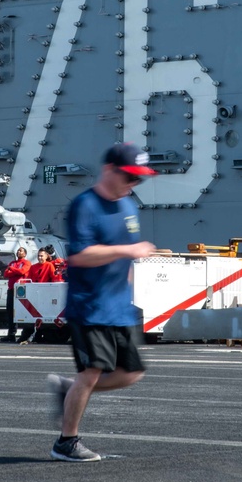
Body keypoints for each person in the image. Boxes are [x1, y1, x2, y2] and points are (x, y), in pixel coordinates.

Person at [47, 143, 157, 462]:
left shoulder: (129, 207)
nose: (134, 184)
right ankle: (66, 442)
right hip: (90, 305)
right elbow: (79, 256)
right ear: (109, 170)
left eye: (140, 180)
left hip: (119, 306)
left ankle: (68, 389)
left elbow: (127, 256)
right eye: (129, 177)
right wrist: (128, 252)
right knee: (92, 371)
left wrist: (130, 281)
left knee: (130, 373)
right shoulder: (85, 205)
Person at [0, 247, 31, 343]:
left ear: (25, 254)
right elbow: (6, 273)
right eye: (18, 250)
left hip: (20, 289)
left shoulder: (26, 263)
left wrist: (12, 269)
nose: (18, 252)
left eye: (21, 250)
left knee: (21, 311)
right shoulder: (12, 262)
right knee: (10, 311)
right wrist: (14, 271)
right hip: (11, 289)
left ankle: (25, 334)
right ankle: (11, 334)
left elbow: (22, 271)